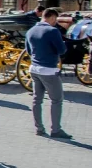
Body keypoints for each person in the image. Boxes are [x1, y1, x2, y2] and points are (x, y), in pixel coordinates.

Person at [25, 8, 72, 140]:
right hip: (49, 70)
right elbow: (62, 50)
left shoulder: (30, 31)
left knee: (37, 100)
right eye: (55, 20)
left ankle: (39, 128)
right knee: (56, 100)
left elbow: (28, 51)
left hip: (34, 69)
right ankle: (56, 130)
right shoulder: (53, 31)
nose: (55, 22)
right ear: (51, 17)